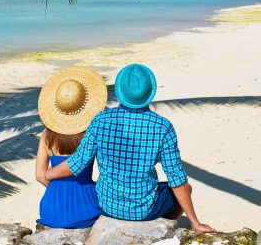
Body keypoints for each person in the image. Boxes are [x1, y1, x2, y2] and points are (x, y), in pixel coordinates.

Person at [45, 64, 216, 233]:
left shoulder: (101, 120)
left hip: (106, 205)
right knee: (187, 188)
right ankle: (167, 228)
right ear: (149, 93)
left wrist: (49, 174)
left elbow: (78, 162)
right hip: (144, 210)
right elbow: (176, 180)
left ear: (120, 92)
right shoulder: (163, 127)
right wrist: (195, 223)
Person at [35, 65, 107, 229]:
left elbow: (40, 176)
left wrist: (58, 189)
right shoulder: (91, 133)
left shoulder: (47, 135)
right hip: (85, 208)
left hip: (51, 210)